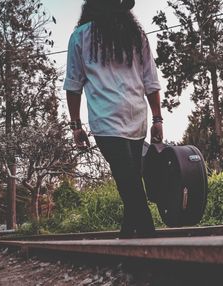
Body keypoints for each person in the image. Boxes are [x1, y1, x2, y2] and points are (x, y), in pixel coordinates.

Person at [64, 0, 163, 238]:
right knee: (130, 179)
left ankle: (147, 239)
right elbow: (151, 82)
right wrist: (157, 119)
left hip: (106, 121)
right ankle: (129, 237)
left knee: (129, 182)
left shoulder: (80, 37)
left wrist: (76, 125)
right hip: (137, 117)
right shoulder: (135, 35)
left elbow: (73, 87)